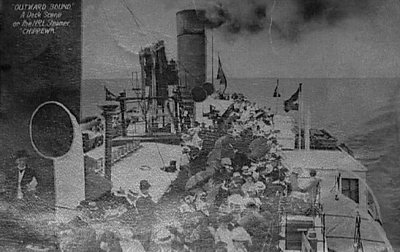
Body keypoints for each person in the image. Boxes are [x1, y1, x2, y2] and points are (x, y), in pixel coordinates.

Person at [134, 180, 156, 252]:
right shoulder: (139, 200)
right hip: (143, 223)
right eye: (144, 188)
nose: (146, 190)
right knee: (145, 242)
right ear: (141, 190)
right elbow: (142, 211)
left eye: (147, 188)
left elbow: (154, 208)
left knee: (149, 240)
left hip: (149, 223)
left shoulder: (150, 198)